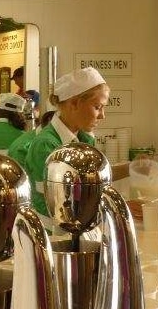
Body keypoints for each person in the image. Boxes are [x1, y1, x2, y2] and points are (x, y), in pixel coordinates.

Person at [23, 67, 110, 216]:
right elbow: (61, 203)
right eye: (97, 107)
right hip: (53, 233)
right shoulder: (45, 145)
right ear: (74, 103)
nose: (102, 115)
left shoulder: (83, 138)